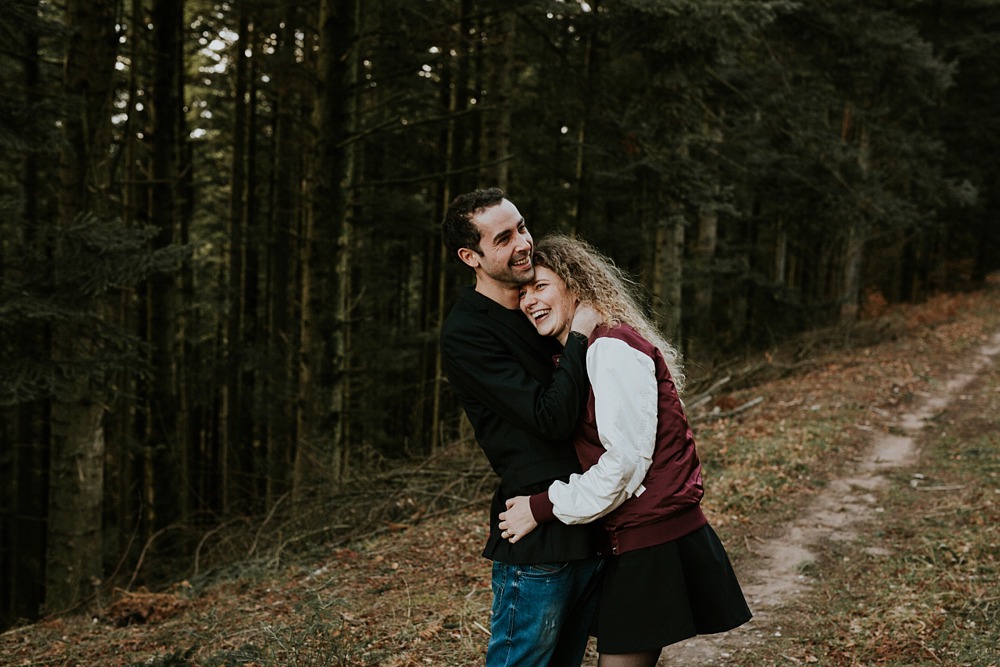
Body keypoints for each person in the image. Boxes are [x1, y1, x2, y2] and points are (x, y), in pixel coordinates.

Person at [499, 234, 752, 667]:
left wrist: (541, 507)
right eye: (523, 292)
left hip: (655, 540)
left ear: (576, 285)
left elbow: (624, 463)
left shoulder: (610, 348)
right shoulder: (585, 352)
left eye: (541, 286)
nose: (529, 301)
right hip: (638, 535)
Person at [440, 189, 604, 666]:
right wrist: (579, 335)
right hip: (536, 537)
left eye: (523, 227)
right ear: (470, 257)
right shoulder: (468, 332)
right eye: (504, 238)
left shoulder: (544, 306)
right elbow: (549, 419)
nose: (523, 243)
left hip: (586, 518)